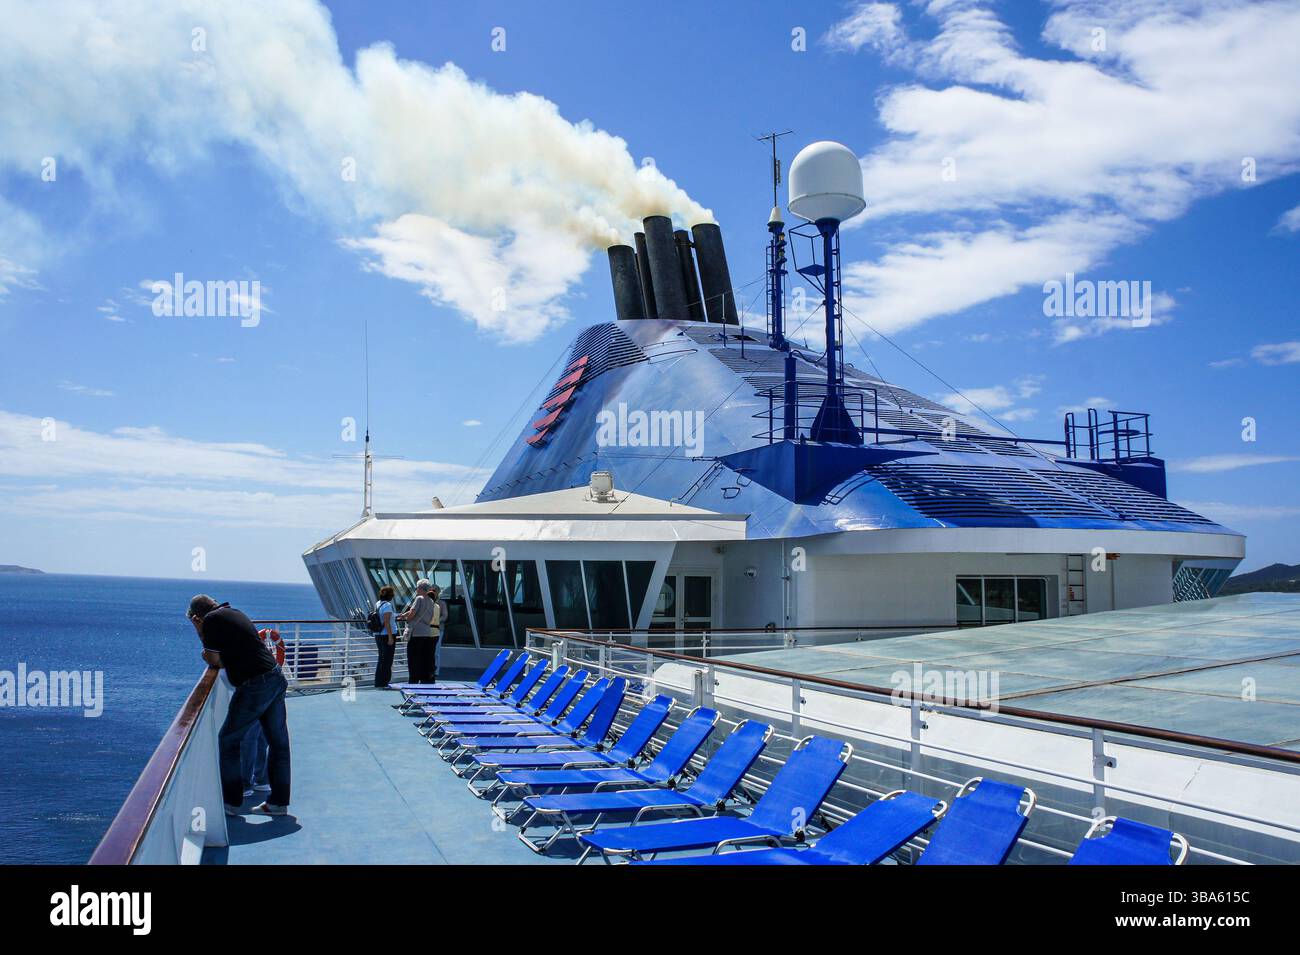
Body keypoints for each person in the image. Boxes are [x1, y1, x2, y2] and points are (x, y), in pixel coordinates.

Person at [188, 594, 291, 816]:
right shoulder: (235, 612)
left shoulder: (213, 620)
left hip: (255, 684)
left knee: (228, 740)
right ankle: (278, 803)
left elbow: (213, 659)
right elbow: (233, 653)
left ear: (198, 616)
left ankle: (231, 803)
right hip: (274, 677)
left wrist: (199, 629)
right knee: (278, 743)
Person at [397, 579, 437, 684]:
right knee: (423, 657)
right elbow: (430, 616)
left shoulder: (419, 598)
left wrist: (407, 619)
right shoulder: (431, 601)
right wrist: (405, 614)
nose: (416, 590)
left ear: (420, 588)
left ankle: (413, 680)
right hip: (426, 632)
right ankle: (424, 679)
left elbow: (413, 612)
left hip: (416, 633)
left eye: (417, 588)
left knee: (413, 658)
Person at [373, 585, 397, 689]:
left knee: (381, 658)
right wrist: (391, 637)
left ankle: (378, 682)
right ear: (390, 595)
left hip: (378, 634)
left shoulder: (378, 604)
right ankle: (384, 682)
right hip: (386, 635)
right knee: (387, 660)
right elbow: (386, 622)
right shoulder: (387, 605)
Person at [430, 584, 449, 682]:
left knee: (436, 651)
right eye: (432, 590)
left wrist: (435, 620)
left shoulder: (442, 603)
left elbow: (445, 616)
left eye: (435, 590)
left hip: (438, 629)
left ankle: (436, 671)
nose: (433, 591)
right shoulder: (427, 602)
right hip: (426, 630)